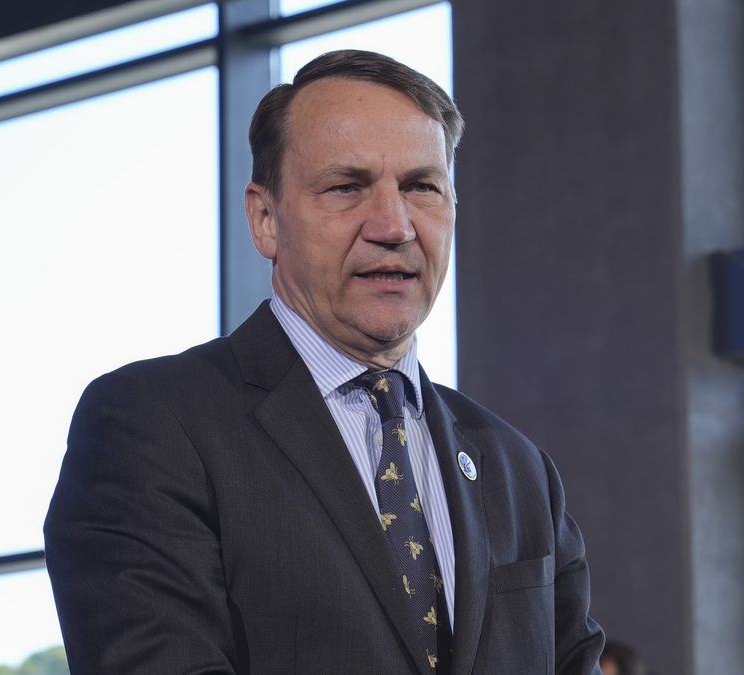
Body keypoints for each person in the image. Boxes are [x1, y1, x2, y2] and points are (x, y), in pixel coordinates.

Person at [44, 49, 605, 674]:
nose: (394, 225)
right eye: (346, 187)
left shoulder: (520, 470)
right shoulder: (152, 424)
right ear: (265, 220)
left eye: (422, 187)